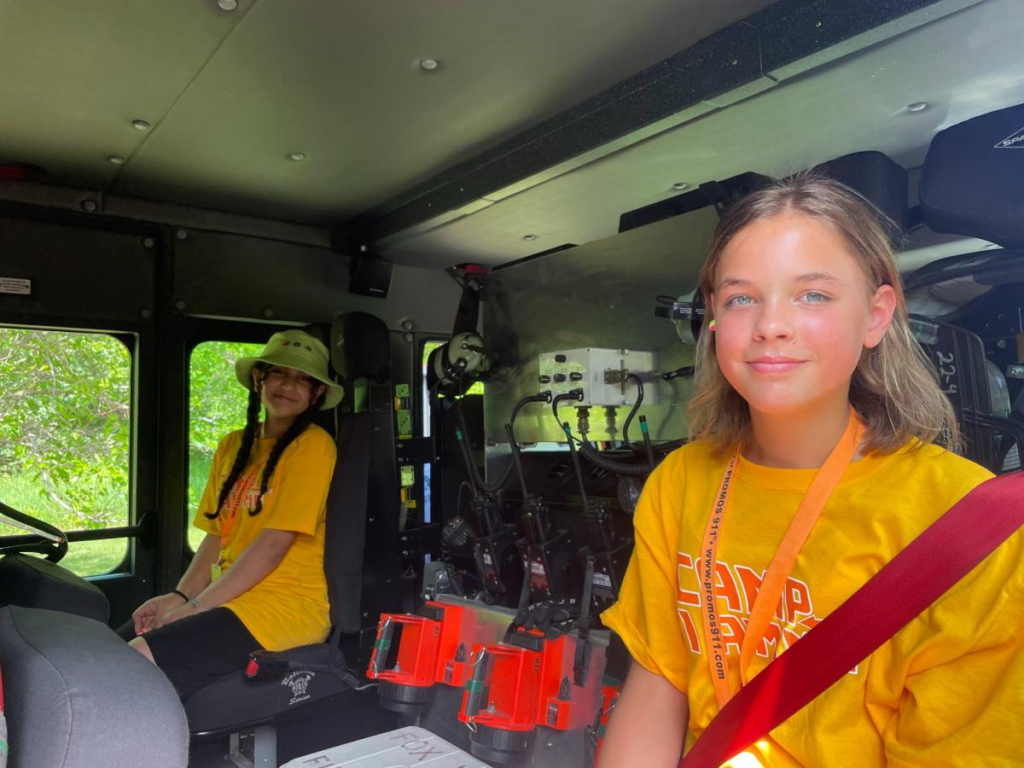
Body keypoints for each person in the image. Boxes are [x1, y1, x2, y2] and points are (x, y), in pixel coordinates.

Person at [599, 176, 1024, 766]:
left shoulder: (971, 527)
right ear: (714, 319)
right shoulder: (680, 482)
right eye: (741, 297)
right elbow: (659, 685)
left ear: (876, 316)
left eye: (814, 295)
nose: (771, 325)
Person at [121, 329, 344, 701]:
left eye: (303, 379)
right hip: (232, 598)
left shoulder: (313, 447)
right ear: (259, 379)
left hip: (286, 606)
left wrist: (198, 606)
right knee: (116, 646)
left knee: (137, 659)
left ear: (317, 394)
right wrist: (178, 596)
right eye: (278, 373)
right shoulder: (232, 445)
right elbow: (215, 537)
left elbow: (274, 544)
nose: (288, 386)